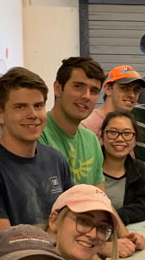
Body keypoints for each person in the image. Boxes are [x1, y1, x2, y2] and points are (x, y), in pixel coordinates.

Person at [0, 66, 72, 256]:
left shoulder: (56, 160)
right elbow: (8, 250)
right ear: (0, 114)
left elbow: (73, 222)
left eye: (38, 105)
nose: (33, 115)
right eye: (20, 107)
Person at [39, 57, 106, 187]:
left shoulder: (91, 140)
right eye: (78, 86)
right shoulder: (38, 135)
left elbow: (100, 196)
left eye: (94, 91)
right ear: (58, 88)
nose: (86, 96)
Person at [100, 111, 145, 236]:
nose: (119, 139)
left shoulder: (139, 170)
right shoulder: (89, 166)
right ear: (102, 136)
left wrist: (118, 216)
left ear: (135, 140)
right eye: (113, 132)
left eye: (127, 134)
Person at [80, 65, 145, 136]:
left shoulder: (134, 125)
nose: (132, 95)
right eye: (125, 88)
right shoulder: (87, 125)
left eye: (136, 90)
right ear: (108, 89)